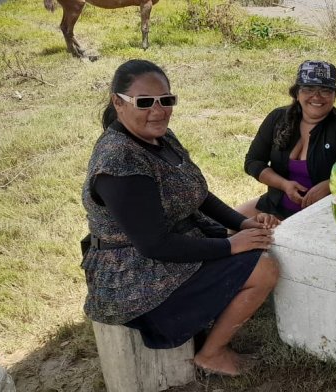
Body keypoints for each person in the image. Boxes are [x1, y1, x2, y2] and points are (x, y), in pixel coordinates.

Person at [82, 59, 280, 376]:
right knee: (263, 268)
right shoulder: (120, 160)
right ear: (117, 103)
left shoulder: (161, 136)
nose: (158, 111)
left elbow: (197, 193)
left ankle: (211, 316)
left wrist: (241, 224)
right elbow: (154, 245)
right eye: (144, 102)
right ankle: (211, 354)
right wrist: (231, 246)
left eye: (166, 100)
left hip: (173, 249)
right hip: (135, 282)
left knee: (258, 242)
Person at [238, 60, 336, 219]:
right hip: (274, 206)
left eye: (326, 90)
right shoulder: (278, 119)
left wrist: (331, 185)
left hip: (326, 215)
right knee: (223, 228)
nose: (317, 96)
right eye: (308, 89)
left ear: (335, 95)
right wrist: (284, 185)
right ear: (297, 93)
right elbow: (253, 162)